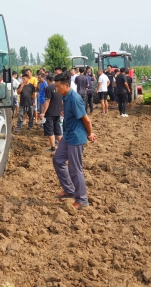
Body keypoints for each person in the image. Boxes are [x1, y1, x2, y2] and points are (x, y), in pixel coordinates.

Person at [52, 72, 97, 210]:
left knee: (75, 169)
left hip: (76, 138)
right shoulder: (66, 97)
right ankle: (69, 190)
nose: (56, 89)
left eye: (58, 87)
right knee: (57, 160)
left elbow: (87, 120)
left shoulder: (75, 98)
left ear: (66, 85)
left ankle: (82, 199)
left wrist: (90, 134)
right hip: (68, 135)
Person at [40, 74, 63, 152]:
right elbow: (62, 101)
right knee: (58, 130)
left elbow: (47, 101)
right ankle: (62, 147)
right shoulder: (59, 87)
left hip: (50, 113)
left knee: (50, 130)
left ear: (48, 80)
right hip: (57, 112)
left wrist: (43, 112)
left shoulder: (49, 88)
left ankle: (53, 147)